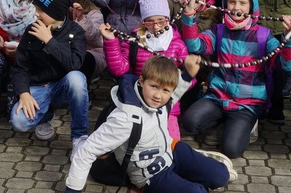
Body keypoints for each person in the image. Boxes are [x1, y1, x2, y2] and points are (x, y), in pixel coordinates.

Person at [65, 56, 235, 193]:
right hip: (151, 173)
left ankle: (188, 173)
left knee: (221, 176)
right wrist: (73, 190)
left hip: (172, 151)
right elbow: (85, 152)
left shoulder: (161, 101)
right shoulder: (124, 119)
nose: (158, 96)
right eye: (153, 87)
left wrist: (188, 74)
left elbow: (173, 94)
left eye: (165, 90)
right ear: (141, 81)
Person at [181, 0, 291, 158]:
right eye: (232, 2)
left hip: (247, 105)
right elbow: (195, 46)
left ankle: (248, 125)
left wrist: (288, 39)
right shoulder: (217, 31)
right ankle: (221, 122)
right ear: (225, 4)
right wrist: (188, 17)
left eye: (242, 3)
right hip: (217, 97)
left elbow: (288, 66)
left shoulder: (263, 36)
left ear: (251, 6)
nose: (236, 7)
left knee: (231, 150)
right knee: (189, 121)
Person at [99, 0, 188, 138]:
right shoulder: (135, 42)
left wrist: (179, 81)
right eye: (150, 22)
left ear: (168, 18)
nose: (156, 26)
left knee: (171, 143)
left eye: (161, 21)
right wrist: (111, 42)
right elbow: (119, 70)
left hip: (167, 106)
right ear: (143, 22)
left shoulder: (177, 44)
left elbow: (188, 78)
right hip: (138, 102)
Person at [10, 0, 89, 146]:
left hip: (63, 88)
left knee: (76, 78)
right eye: (36, 9)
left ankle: (79, 137)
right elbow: (20, 67)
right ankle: (45, 115)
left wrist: (49, 41)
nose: (36, 14)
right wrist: (23, 93)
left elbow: (75, 63)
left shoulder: (76, 32)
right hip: (39, 87)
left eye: (41, 10)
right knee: (19, 122)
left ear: (57, 12)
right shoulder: (31, 30)